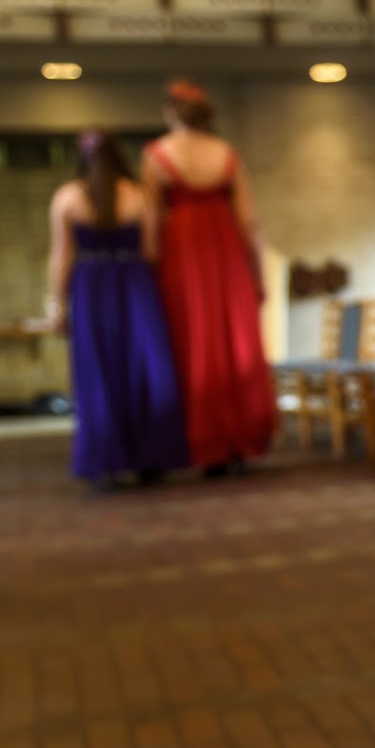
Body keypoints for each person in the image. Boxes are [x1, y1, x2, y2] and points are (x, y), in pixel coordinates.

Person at [143, 78, 276, 476]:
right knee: (231, 341)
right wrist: (257, 272)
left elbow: (151, 220)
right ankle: (234, 440)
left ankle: (199, 439)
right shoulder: (226, 153)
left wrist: (149, 268)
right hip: (226, 254)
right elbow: (249, 222)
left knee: (189, 343)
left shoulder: (157, 154)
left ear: (170, 112)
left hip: (181, 255)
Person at [47, 129, 189, 489]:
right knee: (144, 369)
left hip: (91, 288)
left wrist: (57, 306)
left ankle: (106, 462)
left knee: (98, 370)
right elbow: (151, 251)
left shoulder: (66, 197)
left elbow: (61, 257)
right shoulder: (140, 196)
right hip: (135, 286)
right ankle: (152, 459)